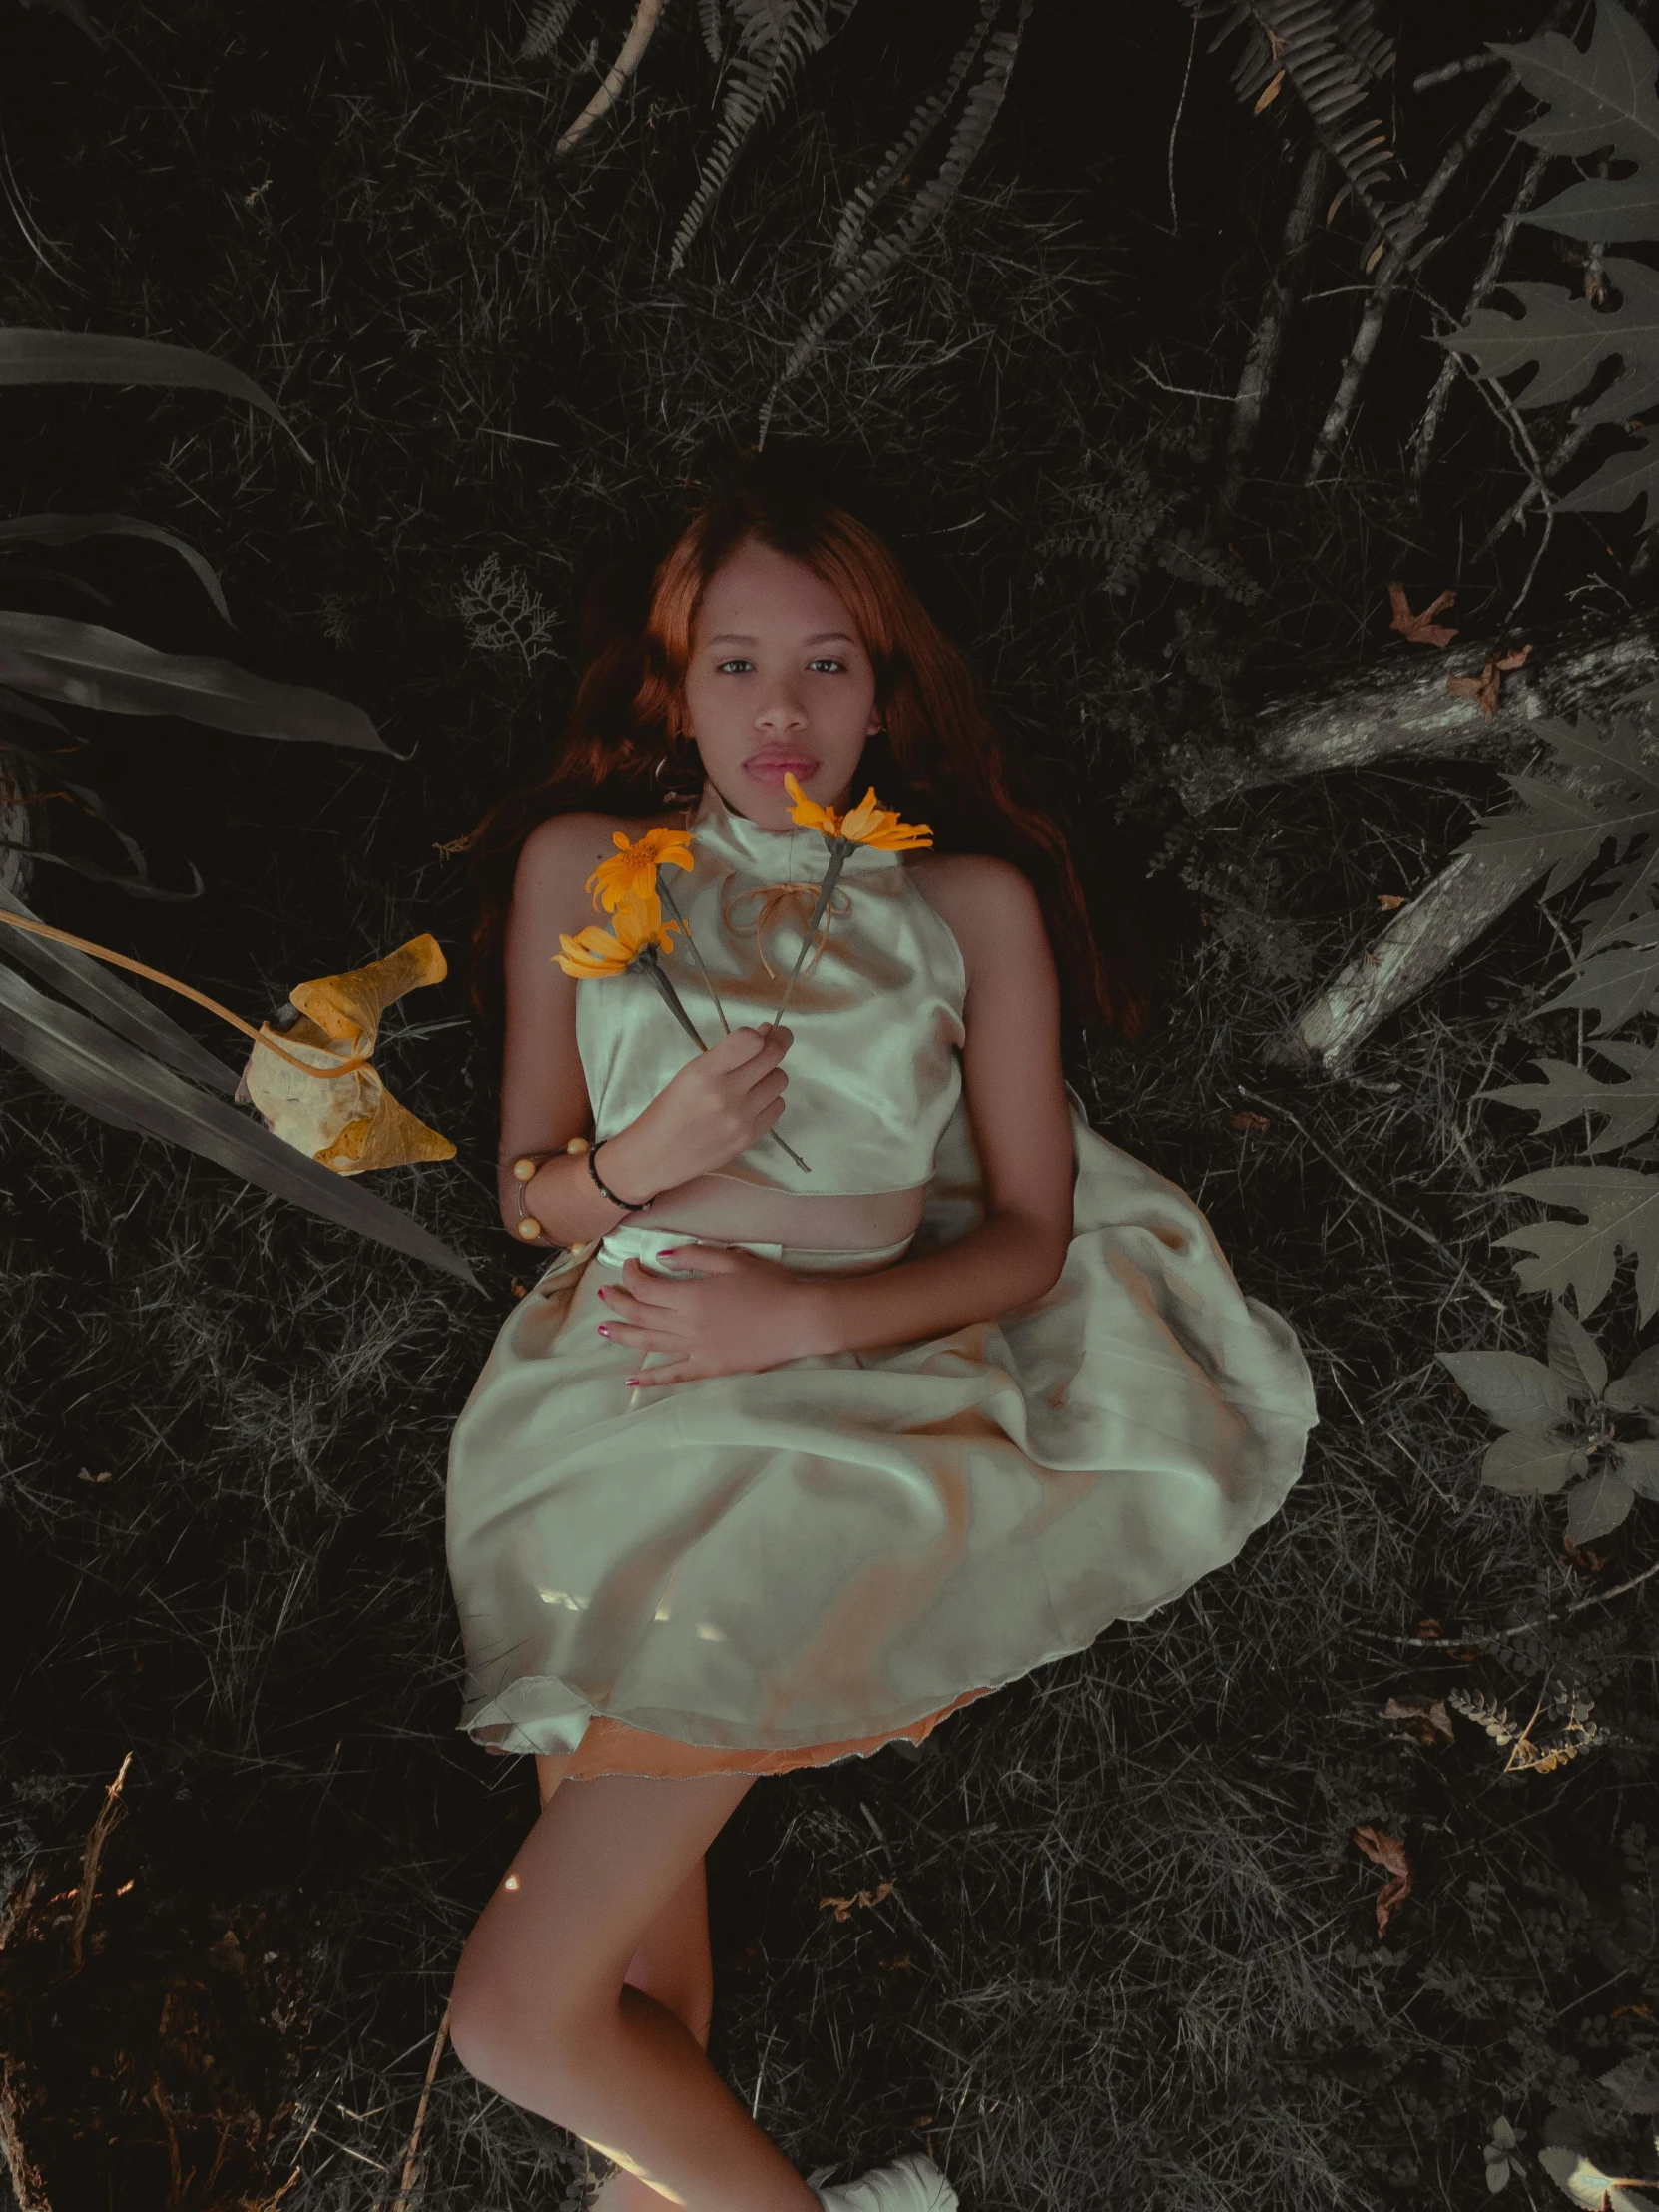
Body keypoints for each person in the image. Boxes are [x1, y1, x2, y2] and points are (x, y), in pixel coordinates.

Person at [440, 466, 1320, 2212]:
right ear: (667, 686)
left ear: (883, 687)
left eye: (826, 667)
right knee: (630, 1998)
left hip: (833, 1410)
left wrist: (796, 1311)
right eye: (733, 666)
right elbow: (521, 1191)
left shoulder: (965, 908)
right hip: (595, 1406)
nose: (780, 710)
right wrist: (636, 1165)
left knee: (521, 2025)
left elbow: (1020, 1237)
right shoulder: (579, 870)